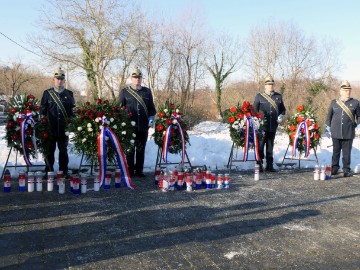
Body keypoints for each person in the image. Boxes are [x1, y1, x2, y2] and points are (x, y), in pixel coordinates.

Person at [119, 67, 156, 177]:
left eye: (139, 77)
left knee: (141, 148)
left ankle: (139, 171)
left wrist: (151, 119)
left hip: (143, 126)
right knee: (130, 149)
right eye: (135, 77)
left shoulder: (147, 91)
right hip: (129, 126)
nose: (137, 79)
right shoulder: (125, 92)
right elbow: (119, 109)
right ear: (131, 78)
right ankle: (130, 171)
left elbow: (152, 109)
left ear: (141, 78)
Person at [41, 68, 75, 177]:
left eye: (61, 79)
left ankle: (63, 171)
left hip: (63, 129)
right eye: (57, 79)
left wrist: (71, 122)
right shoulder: (47, 93)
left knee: (63, 151)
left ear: (64, 80)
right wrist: (43, 125)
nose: (59, 81)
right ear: (53, 79)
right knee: (49, 151)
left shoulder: (69, 94)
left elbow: (73, 111)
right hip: (50, 129)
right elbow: (42, 111)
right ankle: (49, 170)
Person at [326, 80, 360, 177]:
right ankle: (334, 168)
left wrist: (358, 125)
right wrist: (328, 127)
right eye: (345, 90)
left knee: (346, 153)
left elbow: (359, 116)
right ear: (340, 91)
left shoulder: (355, 103)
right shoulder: (334, 103)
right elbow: (329, 116)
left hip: (348, 131)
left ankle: (346, 169)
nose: (347, 92)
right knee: (336, 151)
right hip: (335, 131)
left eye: (349, 90)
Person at [253, 75, 286, 172]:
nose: (270, 86)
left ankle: (269, 165)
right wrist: (257, 120)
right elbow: (254, 110)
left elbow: (283, 109)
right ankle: (259, 165)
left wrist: (281, 116)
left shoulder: (278, 96)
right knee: (260, 145)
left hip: (273, 125)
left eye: (272, 84)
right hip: (262, 126)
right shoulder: (259, 96)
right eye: (268, 84)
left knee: (270, 146)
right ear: (265, 86)